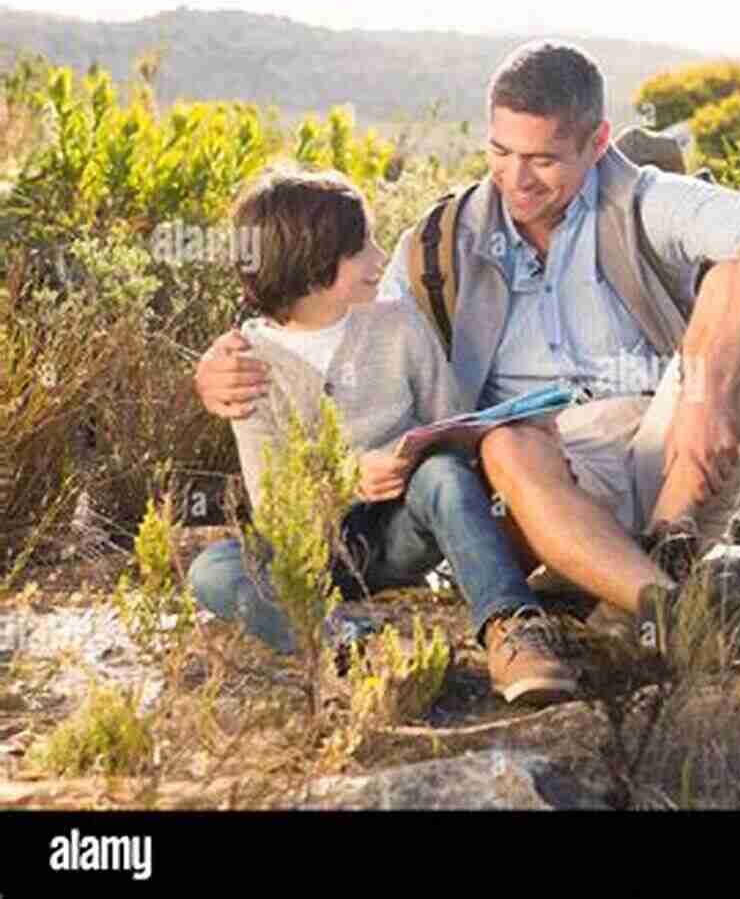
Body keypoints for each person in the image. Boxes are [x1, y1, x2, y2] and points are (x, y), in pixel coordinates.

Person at [193, 40, 740, 673]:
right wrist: (219, 367)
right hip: (537, 480)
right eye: (501, 152)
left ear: (597, 141)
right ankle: (664, 605)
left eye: (544, 159)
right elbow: (329, 315)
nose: (517, 179)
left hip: (674, 453)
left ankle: (668, 543)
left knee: (739, 317)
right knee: (507, 444)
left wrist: (703, 395)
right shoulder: (442, 241)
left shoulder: (643, 202)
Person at [187, 167, 579, 706]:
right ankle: (347, 645)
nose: (379, 260)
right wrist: (351, 478)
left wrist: (454, 443)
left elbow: (453, 429)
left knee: (441, 474)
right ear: (313, 266)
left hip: (398, 535)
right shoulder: (249, 366)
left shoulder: (399, 325)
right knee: (213, 569)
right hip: (305, 554)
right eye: (362, 248)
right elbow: (276, 509)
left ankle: (510, 629)